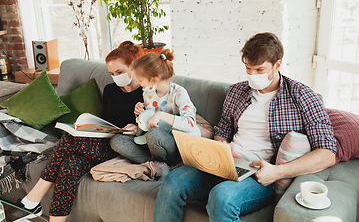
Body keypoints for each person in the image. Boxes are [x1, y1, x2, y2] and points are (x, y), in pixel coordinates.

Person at [153, 32, 338, 222]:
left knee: (222, 197)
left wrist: (277, 172)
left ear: (277, 65)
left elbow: (328, 153)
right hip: (226, 164)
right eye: (248, 68)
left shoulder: (302, 96)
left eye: (259, 69)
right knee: (171, 182)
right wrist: (223, 147)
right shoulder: (237, 92)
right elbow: (222, 132)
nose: (252, 75)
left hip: (260, 176)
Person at [16, 41, 144, 222]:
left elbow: (152, 125)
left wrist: (137, 128)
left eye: (119, 72)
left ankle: (33, 199)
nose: (115, 77)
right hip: (103, 142)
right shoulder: (110, 90)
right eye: (112, 74)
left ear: (133, 67)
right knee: (70, 165)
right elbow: (105, 119)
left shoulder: (145, 93)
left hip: (123, 148)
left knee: (70, 138)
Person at [110, 49, 201, 169]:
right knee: (116, 140)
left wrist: (161, 115)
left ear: (154, 79)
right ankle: (156, 164)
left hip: (174, 144)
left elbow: (190, 123)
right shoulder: (148, 92)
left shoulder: (179, 93)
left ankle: (160, 163)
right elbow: (148, 123)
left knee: (154, 134)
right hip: (152, 143)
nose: (137, 83)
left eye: (140, 80)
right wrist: (139, 115)